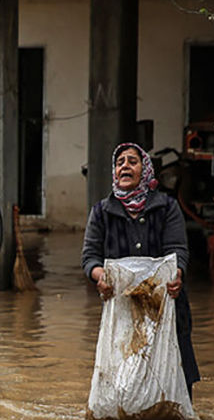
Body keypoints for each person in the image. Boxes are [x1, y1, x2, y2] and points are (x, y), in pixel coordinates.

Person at [82, 142, 200, 397]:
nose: (125, 166)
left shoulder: (167, 207)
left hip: (167, 303)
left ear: (145, 170)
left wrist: (177, 274)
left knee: (175, 375)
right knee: (124, 376)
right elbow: (90, 258)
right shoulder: (101, 212)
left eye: (132, 161)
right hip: (122, 308)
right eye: (119, 162)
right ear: (114, 172)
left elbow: (178, 250)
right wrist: (101, 277)